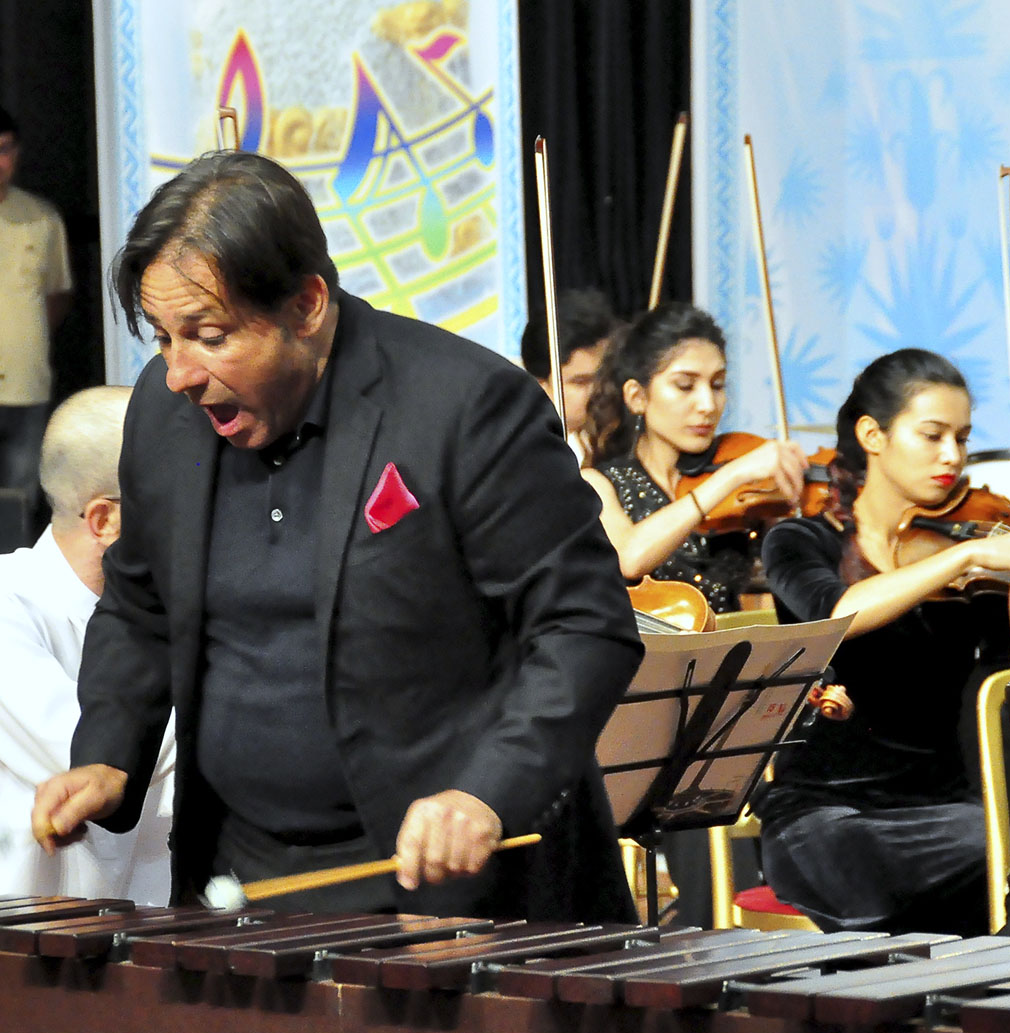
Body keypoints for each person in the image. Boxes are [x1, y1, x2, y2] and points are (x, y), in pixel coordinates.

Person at [30, 150, 642, 922]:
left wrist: (488, 791)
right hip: (245, 881)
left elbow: (584, 626)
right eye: (162, 336)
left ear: (308, 304)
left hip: (451, 884)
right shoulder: (166, 412)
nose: (179, 370)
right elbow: (140, 604)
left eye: (208, 333)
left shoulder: (466, 407)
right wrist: (110, 755)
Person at [755, 348, 1010, 936]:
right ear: (872, 435)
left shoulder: (971, 558)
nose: (952, 456)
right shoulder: (800, 542)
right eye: (932, 435)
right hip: (824, 811)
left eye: (962, 437)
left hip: (943, 809)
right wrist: (970, 552)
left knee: (1000, 842)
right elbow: (837, 612)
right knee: (848, 851)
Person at [0, 386, 172, 902]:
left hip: (154, 931)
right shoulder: (8, 604)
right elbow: (86, 758)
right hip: (28, 944)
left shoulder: (179, 605)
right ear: (105, 520)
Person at [581, 302, 807, 612]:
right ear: (637, 397)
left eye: (717, 385)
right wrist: (730, 476)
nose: (707, 405)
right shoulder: (599, 483)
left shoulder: (744, 493)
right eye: (685, 386)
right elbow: (629, 558)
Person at [0, 106, 73, 513]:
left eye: (4, 149)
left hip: (27, 385)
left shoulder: (42, 218)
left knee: (18, 502)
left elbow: (57, 295)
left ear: (17, 154)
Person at [520, 288, 618, 465]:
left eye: (605, 377)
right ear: (541, 386)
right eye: (581, 382)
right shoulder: (527, 456)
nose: (599, 391)